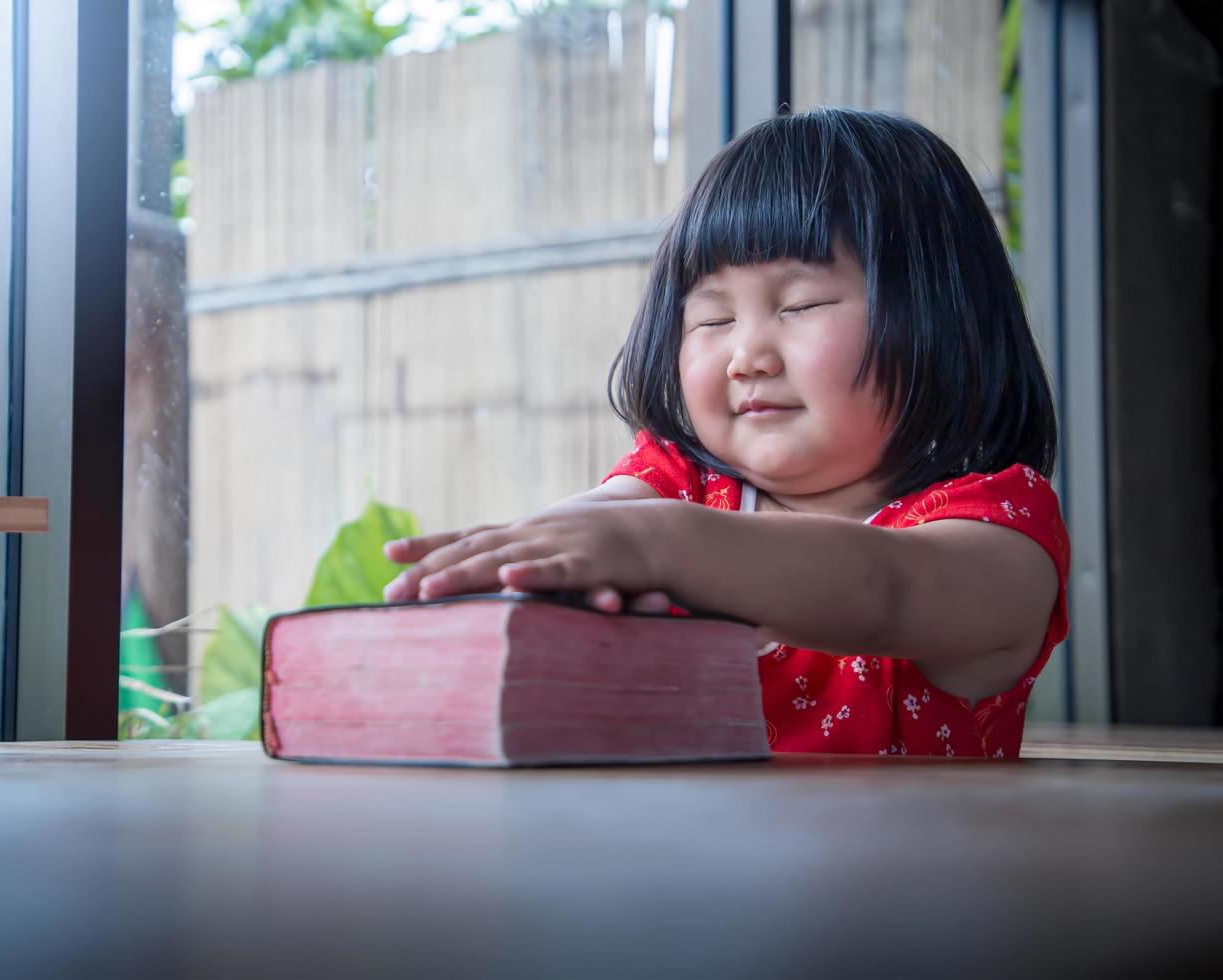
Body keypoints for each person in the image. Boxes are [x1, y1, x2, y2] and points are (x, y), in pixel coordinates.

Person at [381, 107, 1069, 759]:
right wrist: (518, 575)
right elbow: (590, 531)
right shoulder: (677, 486)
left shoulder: (1001, 526)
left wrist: (656, 545)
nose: (748, 357)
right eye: (713, 320)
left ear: (941, 319)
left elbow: (884, 590)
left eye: (801, 304)